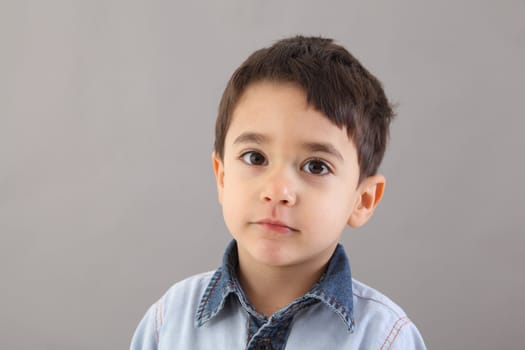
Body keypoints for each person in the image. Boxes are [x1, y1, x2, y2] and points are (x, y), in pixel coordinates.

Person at [130, 35, 426, 349]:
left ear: (363, 200)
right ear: (222, 176)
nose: (277, 191)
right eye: (255, 157)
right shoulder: (169, 322)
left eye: (316, 166)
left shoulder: (385, 338)